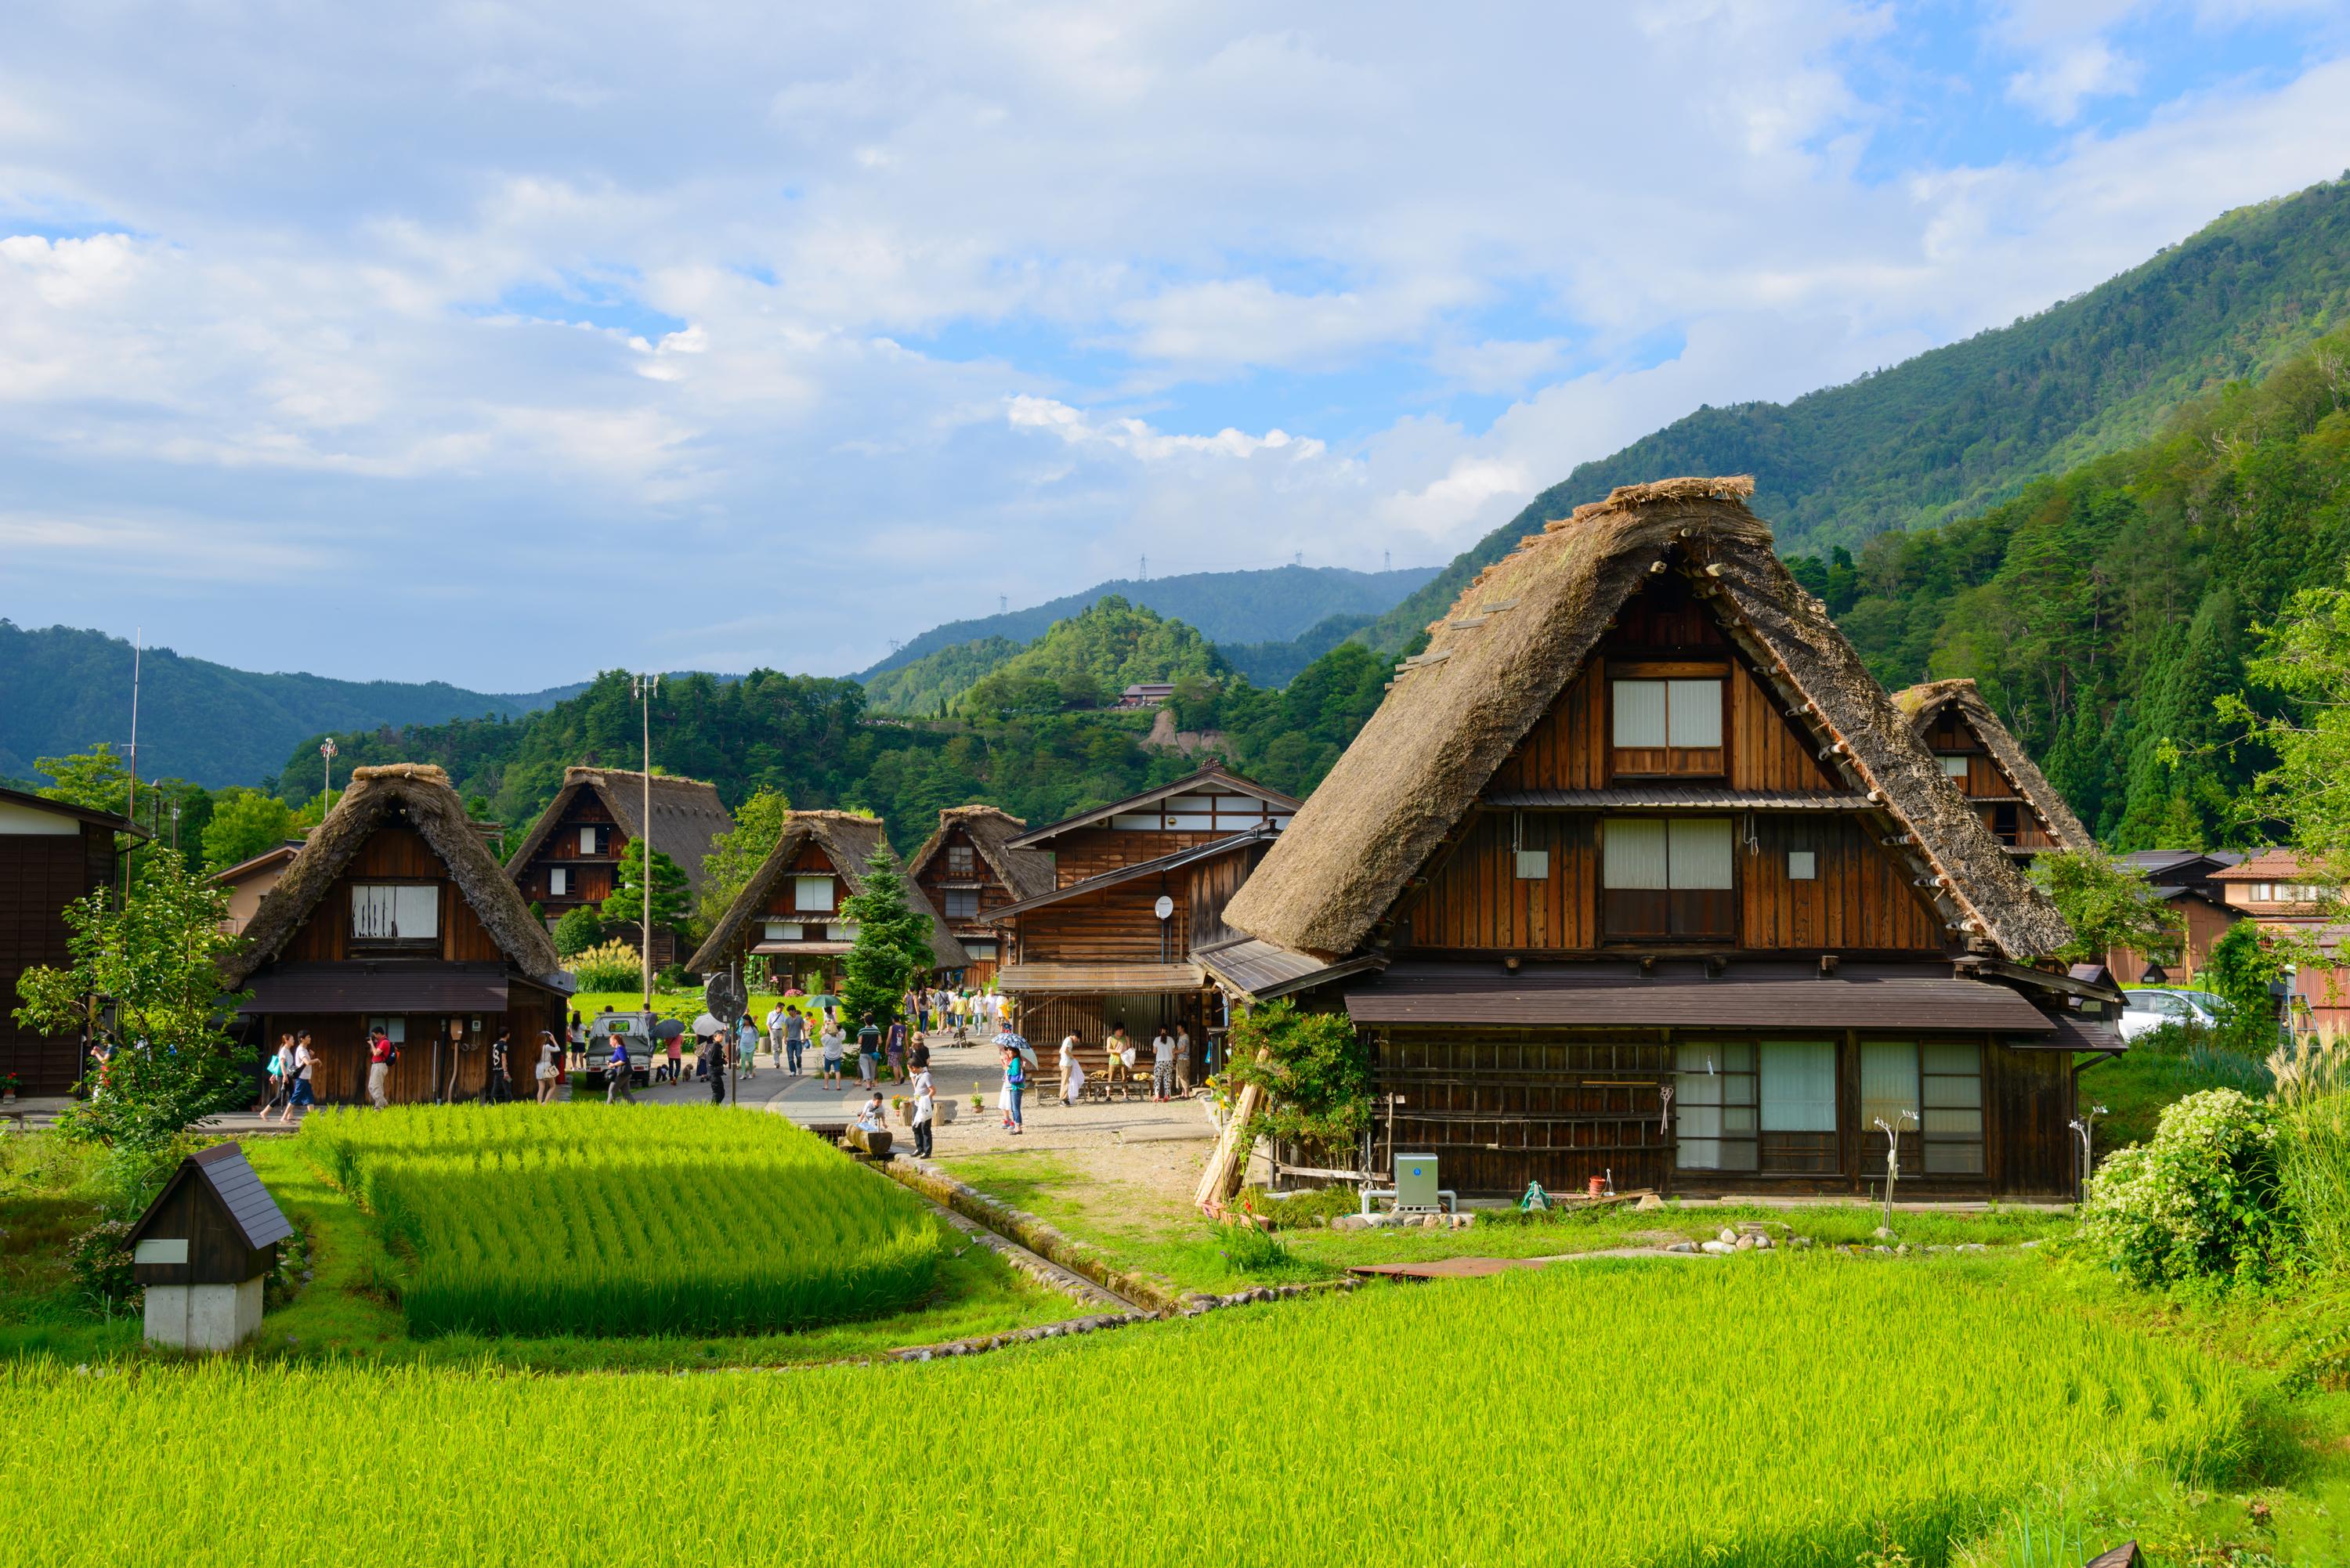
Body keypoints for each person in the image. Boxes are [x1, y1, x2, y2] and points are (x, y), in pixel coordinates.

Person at [281, 1032, 316, 1121]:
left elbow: (304, 1063)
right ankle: (284, 1118)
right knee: (295, 1098)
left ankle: (313, 1119)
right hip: (301, 1078)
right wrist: (317, 1060)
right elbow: (307, 1062)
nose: (310, 1038)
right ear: (302, 1039)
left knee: (309, 1098)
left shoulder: (304, 1050)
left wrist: (311, 1056)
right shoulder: (301, 1050)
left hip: (305, 1078)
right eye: (308, 1037)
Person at [909, 1056, 935, 1158]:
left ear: (914, 1068)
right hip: (917, 1104)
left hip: (925, 1105)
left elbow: (933, 1090)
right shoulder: (918, 1076)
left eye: (910, 1069)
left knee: (925, 1128)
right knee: (915, 1126)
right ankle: (919, 1148)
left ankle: (927, 1152)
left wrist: (925, 1099)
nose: (910, 1072)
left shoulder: (926, 1076)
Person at [367, 1026, 397, 1109]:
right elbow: (372, 1052)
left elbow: (376, 1053)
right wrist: (372, 1043)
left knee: (377, 1088)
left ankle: (379, 1109)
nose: (374, 1037)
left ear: (379, 1034)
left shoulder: (385, 1042)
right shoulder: (379, 1042)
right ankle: (385, 1104)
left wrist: (372, 1044)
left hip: (380, 1066)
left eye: (374, 1035)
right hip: (375, 1065)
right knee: (371, 1087)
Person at [604, 1029, 636, 1104]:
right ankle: (635, 1107)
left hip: (622, 1074)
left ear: (615, 1041)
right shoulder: (619, 1049)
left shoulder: (620, 1049)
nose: (610, 1043)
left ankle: (608, 1109)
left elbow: (623, 1060)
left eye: (610, 1041)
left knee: (612, 1091)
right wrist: (610, 1062)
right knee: (626, 1093)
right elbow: (618, 1059)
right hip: (625, 1074)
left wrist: (613, 1065)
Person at [1000, 1042, 1025, 1134]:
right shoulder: (1014, 1060)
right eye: (1008, 1050)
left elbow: (1015, 1072)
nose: (1009, 1052)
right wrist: (1005, 1064)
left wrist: (1008, 1068)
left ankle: (1018, 1127)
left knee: (1015, 1108)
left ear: (1015, 1052)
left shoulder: (1017, 1060)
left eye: (1011, 1050)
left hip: (1016, 1087)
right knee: (1014, 1108)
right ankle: (1017, 1126)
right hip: (1013, 1087)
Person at [485, 1028, 512, 1105]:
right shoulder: (504, 1045)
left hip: (496, 1069)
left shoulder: (496, 1044)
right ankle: (511, 1103)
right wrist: (505, 1072)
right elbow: (503, 1059)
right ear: (507, 1034)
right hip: (502, 1070)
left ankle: (492, 1103)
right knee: (508, 1085)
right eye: (509, 1034)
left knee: (496, 1088)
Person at [534, 1030, 562, 1104]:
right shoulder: (547, 1047)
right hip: (547, 1068)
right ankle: (545, 1103)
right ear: (544, 1039)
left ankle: (539, 1104)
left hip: (539, 1068)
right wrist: (553, 1040)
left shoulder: (536, 1048)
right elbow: (558, 1049)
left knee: (541, 1088)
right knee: (553, 1086)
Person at [1151, 1026, 1177, 1102]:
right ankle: (1166, 1095)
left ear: (1160, 1030)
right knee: (1167, 1079)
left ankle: (1157, 1095)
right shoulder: (1171, 1040)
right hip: (1169, 1061)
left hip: (1159, 1062)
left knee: (1157, 1079)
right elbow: (1173, 1051)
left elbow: (1154, 1052)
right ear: (1167, 1031)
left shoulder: (1157, 1039)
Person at [1058, 1031, 1083, 1107]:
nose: (1077, 1040)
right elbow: (1065, 1050)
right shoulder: (1069, 1040)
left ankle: (1064, 1099)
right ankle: (1063, 1099)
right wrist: (1072, 1057)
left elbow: (1060, 1051)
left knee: (1065, 1082)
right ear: (1075, 1036)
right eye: (1077, 1038)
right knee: (1065, 1082)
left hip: (1065, 1063)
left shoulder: (1066, 1040)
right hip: (1066, 1064)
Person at [819, 1018, 846, 1089]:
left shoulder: (827, 1037)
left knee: (826, 1071)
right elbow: (843, 1032)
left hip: (828, 1056)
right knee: (837, 1071)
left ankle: (826, 1086)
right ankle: (838, 1086)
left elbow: (822, 1039)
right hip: (837, 1056)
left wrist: (824, 1031)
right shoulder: (839, 1037)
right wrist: (837, 1024)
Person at [856, 1014, 881, 1089]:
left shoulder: (862, 1030)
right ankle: (870, 1083)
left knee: (865, 1069)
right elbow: (880, 1041)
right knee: (872, 1069)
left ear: (865, 1021)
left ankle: (868, 1085)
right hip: (873, 1053)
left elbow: (860, 1042)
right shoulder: (877, 1031)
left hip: (864, 1052)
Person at [735, 1013, 760, 1081]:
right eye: (743, 1020)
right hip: (743, 1045)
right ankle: (743, 1074)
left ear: (748, 1020)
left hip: (751, 1045)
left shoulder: (753, 1028)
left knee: (750, 1060)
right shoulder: (742, 1028)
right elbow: (739, 1034)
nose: (744, 1022)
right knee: (743, 1060)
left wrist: (756, 1041)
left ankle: (751, 1073)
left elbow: (757, 1034)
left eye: (745, 1020)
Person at [783, 1006, 805, 1073]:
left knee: (798, 1056)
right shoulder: (788, 1019)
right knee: (790, 1058)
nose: (789, 1013)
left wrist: (804, 1037)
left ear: (794, 1011)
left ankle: (799, 1066)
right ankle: (793, 1071)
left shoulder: (800, 1018)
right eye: (788, 1012)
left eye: (790, 1011)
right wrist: (785, 1037)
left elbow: (803, 1027)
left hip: (798, 1041)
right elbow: (786, 1029)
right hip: (790, 1041)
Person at [766, 1002, 788, 1071]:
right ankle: (776, 1062)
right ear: (777, 1007)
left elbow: (786, 1023)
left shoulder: (783, 1014)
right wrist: (770, 1032)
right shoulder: (771, 1014)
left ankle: (776, 1060)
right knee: (775, 1046)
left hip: (780, 1031)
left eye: (783, 1008)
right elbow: (768, 1024)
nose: (782, 1010)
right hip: (773, 1031)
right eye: (781, 1008)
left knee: (779, 1048)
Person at [885, 1017, 907, 1084]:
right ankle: (902, 1075)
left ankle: (897, 1081)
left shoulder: (892, 1027)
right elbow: (906, 1040)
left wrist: (886, 1048)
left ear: (893, 1020)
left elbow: (889, 1038)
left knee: (894, 1065)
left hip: (893, 1048)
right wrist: (907, 1050)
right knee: (897, 1062)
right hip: (901, 1048)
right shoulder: (904, 1027)